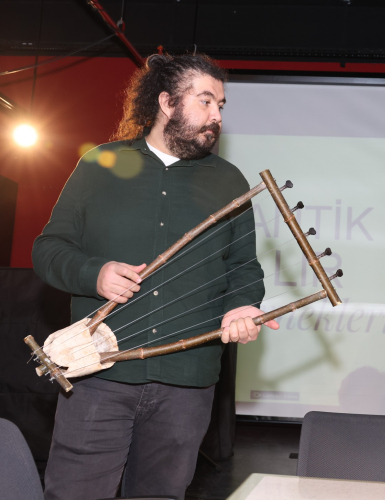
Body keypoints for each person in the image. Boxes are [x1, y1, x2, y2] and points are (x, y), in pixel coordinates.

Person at [32, 53, 278, 500]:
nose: (217, 116)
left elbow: (243, 266)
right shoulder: (100, 164)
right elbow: (48, 249)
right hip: (98, 377)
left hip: (187, 385)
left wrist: (243, 305)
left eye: (221, 105)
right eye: (206, 101)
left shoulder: (229, 181)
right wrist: (94, 274)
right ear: (167, 102)